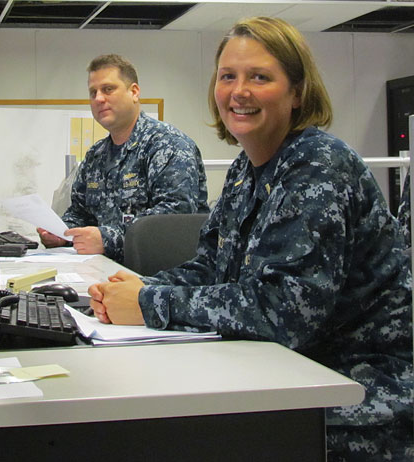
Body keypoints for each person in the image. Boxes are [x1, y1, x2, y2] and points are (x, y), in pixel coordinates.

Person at [88, 17, 413, 461]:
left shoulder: (318, 167)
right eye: (228, 76)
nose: (239, 91)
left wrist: (150, 304)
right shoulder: (248, 168)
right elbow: (209, 265)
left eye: (259, 77)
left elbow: (284, 311)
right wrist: (138, 289)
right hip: (289, 371)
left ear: (297, 92)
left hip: (359, 390)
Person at [38, 54, 209, 263]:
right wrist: (62, 233)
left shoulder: (168, 145)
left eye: (108, 89)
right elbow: (80, 212)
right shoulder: (96, 156)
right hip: (103, 271)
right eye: (93, 92)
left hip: (160, 278)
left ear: (134, 92)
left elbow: (173, 217)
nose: (99, 98)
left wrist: (107, 238)